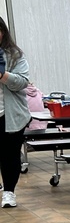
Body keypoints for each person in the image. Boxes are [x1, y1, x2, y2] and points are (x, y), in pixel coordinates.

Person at [0, 16, 31, 209]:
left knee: (9, 155)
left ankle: (9, 192)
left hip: (10, 115)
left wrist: (2, 75)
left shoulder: (14, 55)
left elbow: (22, 82)